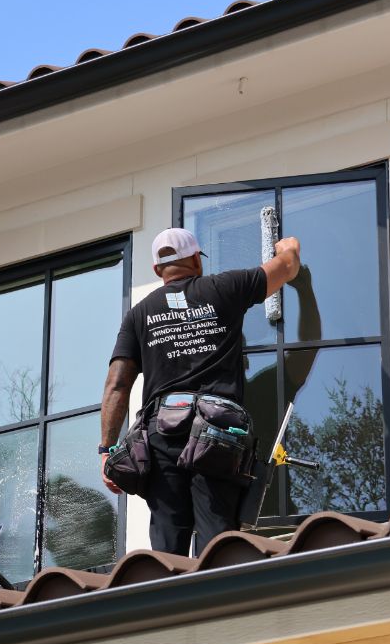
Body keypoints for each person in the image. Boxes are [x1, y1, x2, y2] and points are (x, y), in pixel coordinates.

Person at [100, 228, 300, 556]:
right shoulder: (223, 288)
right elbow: (285, 268)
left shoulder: (138, 315)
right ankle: (220, 598)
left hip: (161, 433)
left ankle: (172, 601)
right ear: (196, 259)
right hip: (217, 434)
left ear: (157, 270)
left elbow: (117, 385)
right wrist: (288, 247)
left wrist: (107, 449)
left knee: (168, 545)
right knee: (216, 536)